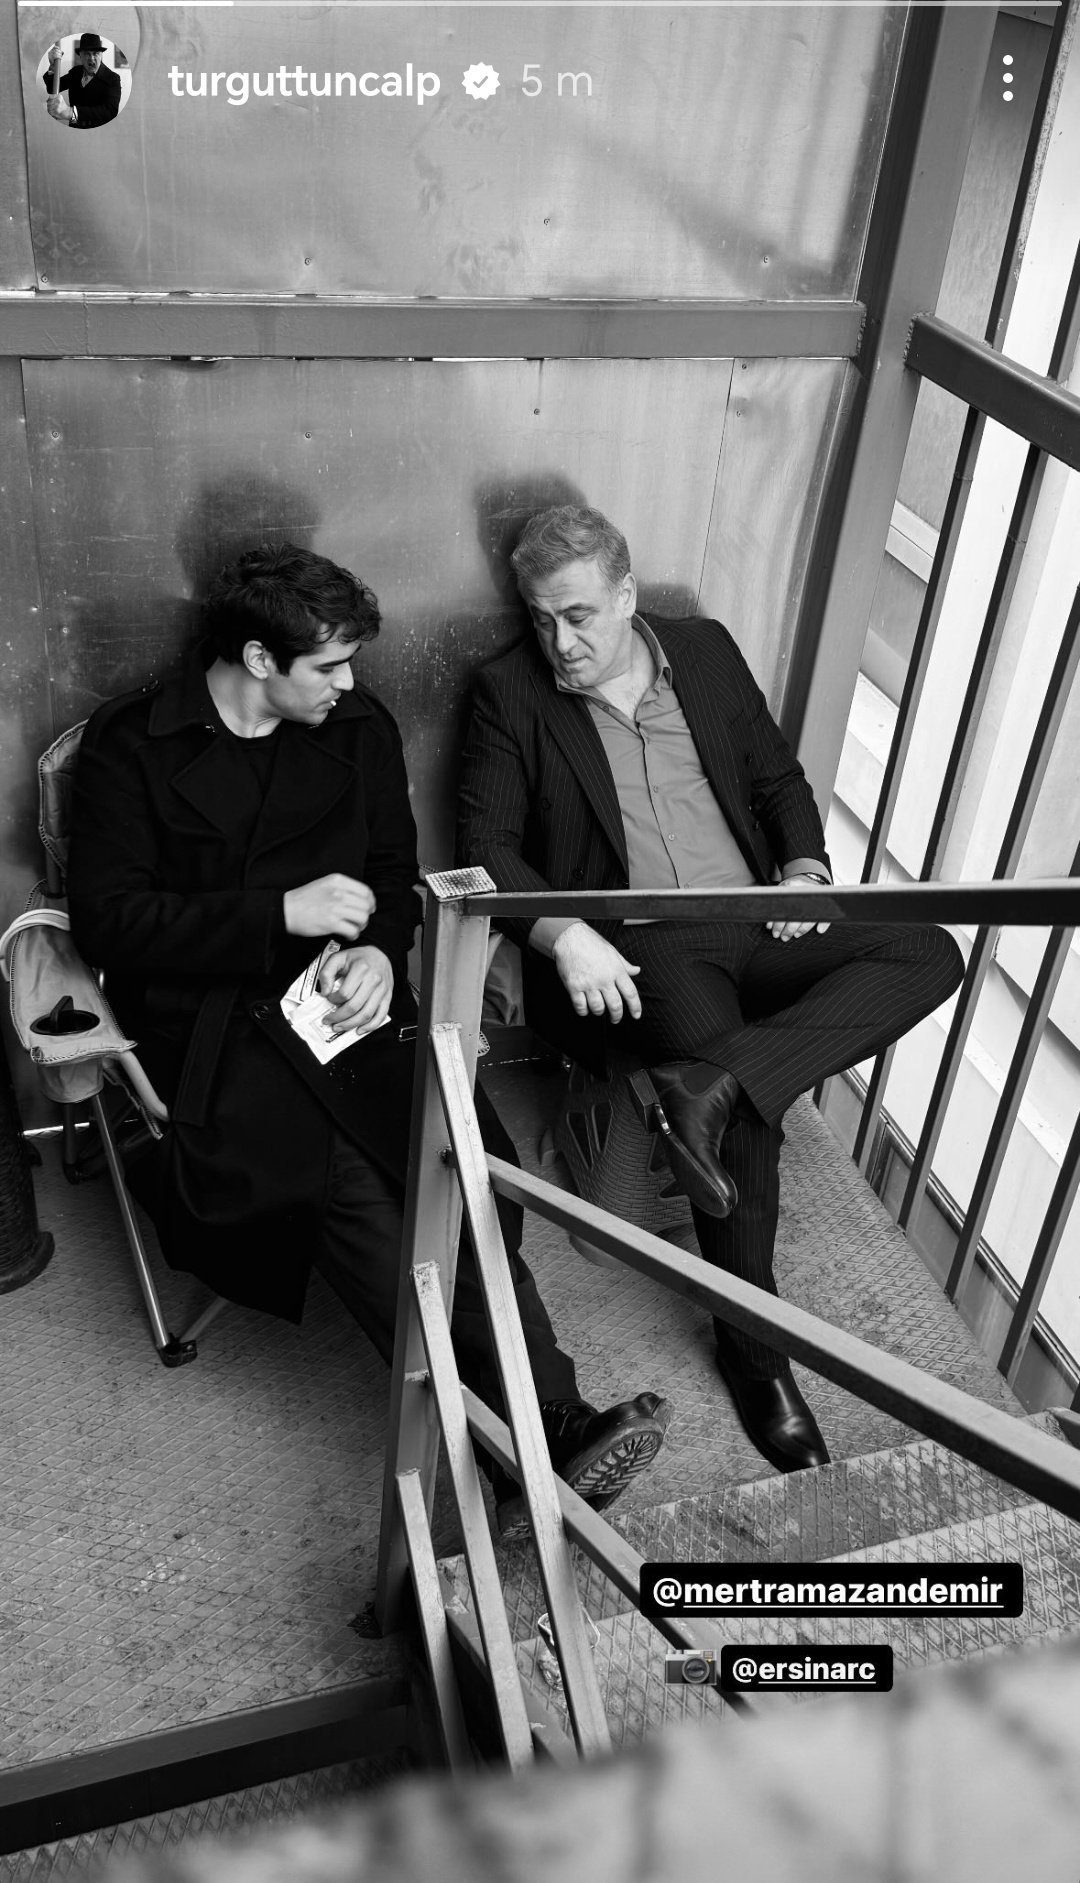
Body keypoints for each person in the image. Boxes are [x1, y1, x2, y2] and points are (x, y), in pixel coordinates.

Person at [66, 543, 669, 1537]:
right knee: (351, 1190)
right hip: (215, 1026)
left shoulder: (357, 727)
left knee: (456, 1163)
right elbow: (109, 922)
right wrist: (278, 913)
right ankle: (526, 1435)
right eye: (330, 665)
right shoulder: (133, 743)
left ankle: (544, 1424)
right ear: (258, 658)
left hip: (348, 1001)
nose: (348, 684)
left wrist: (385, 953)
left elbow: (393, 873)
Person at [457, 504, 965, 1474]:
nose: (560, 642)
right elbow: (486, 844)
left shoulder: (704, 650)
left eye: (578, 616)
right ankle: (756, 1355)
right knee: (743, 1128)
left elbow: (776, 779)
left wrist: (804, 870)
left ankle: (717, 1082)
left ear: (626, 596)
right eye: (541, 618)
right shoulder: (510, 692)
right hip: (640, 946)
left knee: (928, 949)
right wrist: (564, 933)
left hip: (761, 920)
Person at [43, 32, 122, 129]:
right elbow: (51, 88)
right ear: (80, 56)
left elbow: (110, 112)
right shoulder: (75, 72)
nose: (91, 58)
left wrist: (70, 112)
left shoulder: (113, 78)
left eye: (95, 53)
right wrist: (52, 66)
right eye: (87, 54)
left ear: (101, 55)